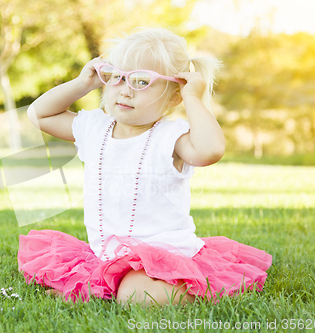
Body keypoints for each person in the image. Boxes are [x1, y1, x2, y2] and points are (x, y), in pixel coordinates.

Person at [18, 27, 272, 308]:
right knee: (78, 281)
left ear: (174, 96)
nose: (126, 90)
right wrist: (82, 84)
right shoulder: (94, 128)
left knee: (136, 298)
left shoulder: (171, 137)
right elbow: (38, 114)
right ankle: (110, 284)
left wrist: (193, 99)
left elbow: (210, 150)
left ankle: (188, 287)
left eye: (141, 81)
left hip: (163, 256)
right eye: (116, 77)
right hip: (105, 253)